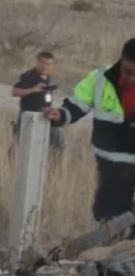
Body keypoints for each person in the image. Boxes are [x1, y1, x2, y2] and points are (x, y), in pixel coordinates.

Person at [44, 38, 135, 224]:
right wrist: (59, 116)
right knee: (107, 215)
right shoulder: (100, 78)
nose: (132, 78)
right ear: (121, 60)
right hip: (110, 162)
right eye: (129, 72)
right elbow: (77, 105)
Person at [12, 51, 63, 152]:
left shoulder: (48, 78)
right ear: (37, 62)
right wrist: (32, 90)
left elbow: (46, 97)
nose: (45, 66)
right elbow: (15, 92)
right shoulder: (28, 76)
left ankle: (54, 164)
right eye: (42, 63)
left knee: (56, 143)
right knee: (22, 145)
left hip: (44, 116)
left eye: (48, 64)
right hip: (28, 116)